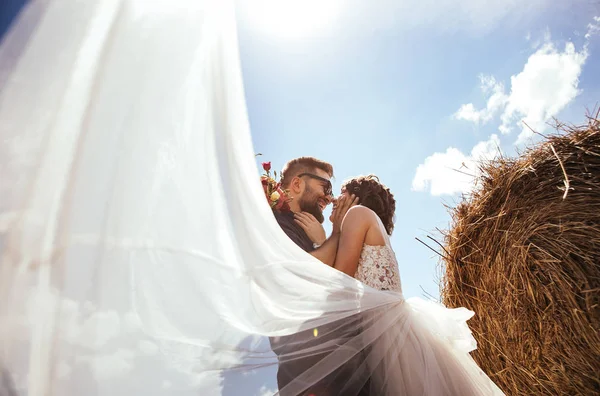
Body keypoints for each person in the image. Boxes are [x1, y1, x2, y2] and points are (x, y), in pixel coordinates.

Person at [296, 174, 505, 395]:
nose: (335, 201)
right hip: (381, 327)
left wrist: (324, 239)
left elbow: (341, 280)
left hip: (385, 330)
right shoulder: (366, 222)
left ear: (356, 198)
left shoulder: (358, 215)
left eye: (342, 194)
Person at [268, 156, 373, 396]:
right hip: (309, 366)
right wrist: (336, 234)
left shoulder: (300, 226)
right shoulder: (278, 224)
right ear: (297, 184)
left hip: (329, 363)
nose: (330, 197)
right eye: (325, 187)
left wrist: (322, 239)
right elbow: (306, 272)